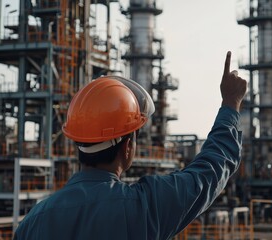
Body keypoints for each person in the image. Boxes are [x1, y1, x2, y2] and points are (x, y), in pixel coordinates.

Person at [14, 51, 247, 240]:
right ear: (127, 148)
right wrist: (230, 104)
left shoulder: (34, 221)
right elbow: (209, 172)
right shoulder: (143, 208)